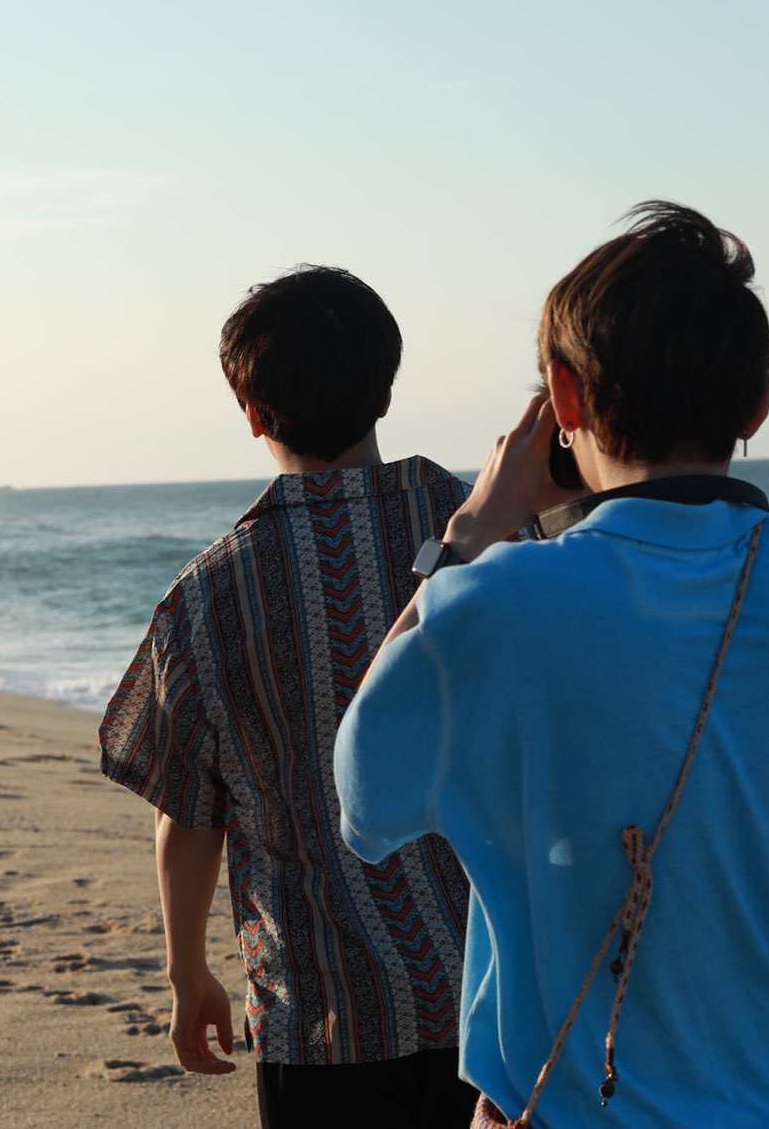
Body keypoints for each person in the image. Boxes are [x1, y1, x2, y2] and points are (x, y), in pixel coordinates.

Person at [334, 203, 769, 1127]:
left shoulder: (493, 602)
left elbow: (365, 801)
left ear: (564, 398)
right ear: (757, 402)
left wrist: (470, 534)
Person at [99, 266, 480, 1129]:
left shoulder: (208, 595)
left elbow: (188, 811)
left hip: (323, 1014)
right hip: (496, 997)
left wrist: (186, 970)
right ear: (385, 390)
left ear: (254, 415)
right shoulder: (485, 531)